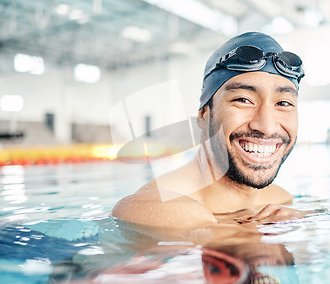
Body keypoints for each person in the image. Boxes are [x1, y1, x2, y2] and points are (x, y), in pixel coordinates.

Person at [112, 32, 306, 230]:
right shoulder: (153, 207)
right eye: (243, 100)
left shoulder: (280, 199)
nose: (266, 127)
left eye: (283, 103)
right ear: (205, 115)